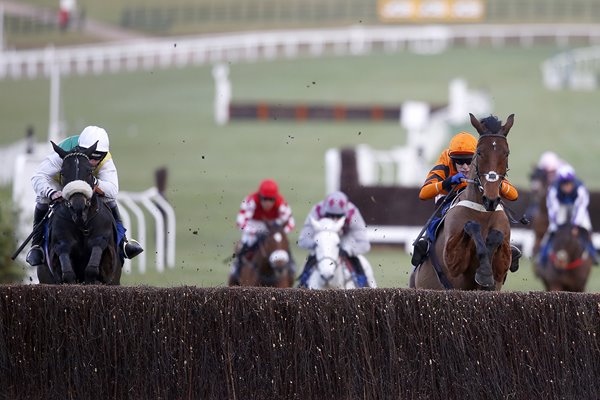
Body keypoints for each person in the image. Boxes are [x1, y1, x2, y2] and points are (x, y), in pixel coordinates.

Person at [26, 126, 143, 267]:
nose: (94, 162)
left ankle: (123, 242)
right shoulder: (63, 152)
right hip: (60, 181)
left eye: (98, 157)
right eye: (90, 157)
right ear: (80, 150)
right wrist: (51, 192)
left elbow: (113, 189)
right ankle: (36, 245)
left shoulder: (106, 159)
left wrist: (93, 182)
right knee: (42, 198)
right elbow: (38, 176)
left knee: (109, 199)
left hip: (88, 179)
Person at [411, 130, 521, 270]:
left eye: (468, 161)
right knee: (441, 211)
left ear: (476, 158)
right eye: (459, 161)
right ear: (451, 158)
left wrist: (498, 184)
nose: (464, 166)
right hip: (450, 195)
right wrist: (447, 182)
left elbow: (514, 195)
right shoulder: (445, 160)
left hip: (477, 195)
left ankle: (506, 247)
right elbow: (424, 193)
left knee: (497, 209)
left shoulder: (484, 162)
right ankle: (428, 241)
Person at [297, 191, 371, 288]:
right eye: (330, 215)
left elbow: (364, 244)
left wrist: (348, 250)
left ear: (345, 213)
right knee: (309, 261)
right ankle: (302, 285)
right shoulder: (317, 210)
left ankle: (363, 285)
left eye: (339, 216)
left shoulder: (353, 213)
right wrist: (316, 244)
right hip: (322, 243)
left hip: (345, 241)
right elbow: (303, 239)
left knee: (357, 261)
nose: (335, 220)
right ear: (324, 212)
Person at [231, 179, 295, 281]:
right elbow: (240, 223)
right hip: (253, 225)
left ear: (275, 198)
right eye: (265, 199)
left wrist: (279, 233)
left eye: (271, 199)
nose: (268, 203)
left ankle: (291, 268)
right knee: (245, 245)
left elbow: (291, 223)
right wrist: (255, 231)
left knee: (282, 245)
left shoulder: (282, 203)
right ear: (259, 196)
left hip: (273, 226)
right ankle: (235, 270)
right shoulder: (250, 201)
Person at [539, 164, 598, 266]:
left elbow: (581, 208)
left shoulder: (581, 188)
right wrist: (558, 225)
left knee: (586, 228)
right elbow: (553, 209)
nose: (567, 187)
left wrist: (575, 225)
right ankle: (543, 255)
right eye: (564, 184)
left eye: (569, 183)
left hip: (577, 208)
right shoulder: (553, 189)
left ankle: (593, 254)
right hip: (561, 208)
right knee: (552, 230)